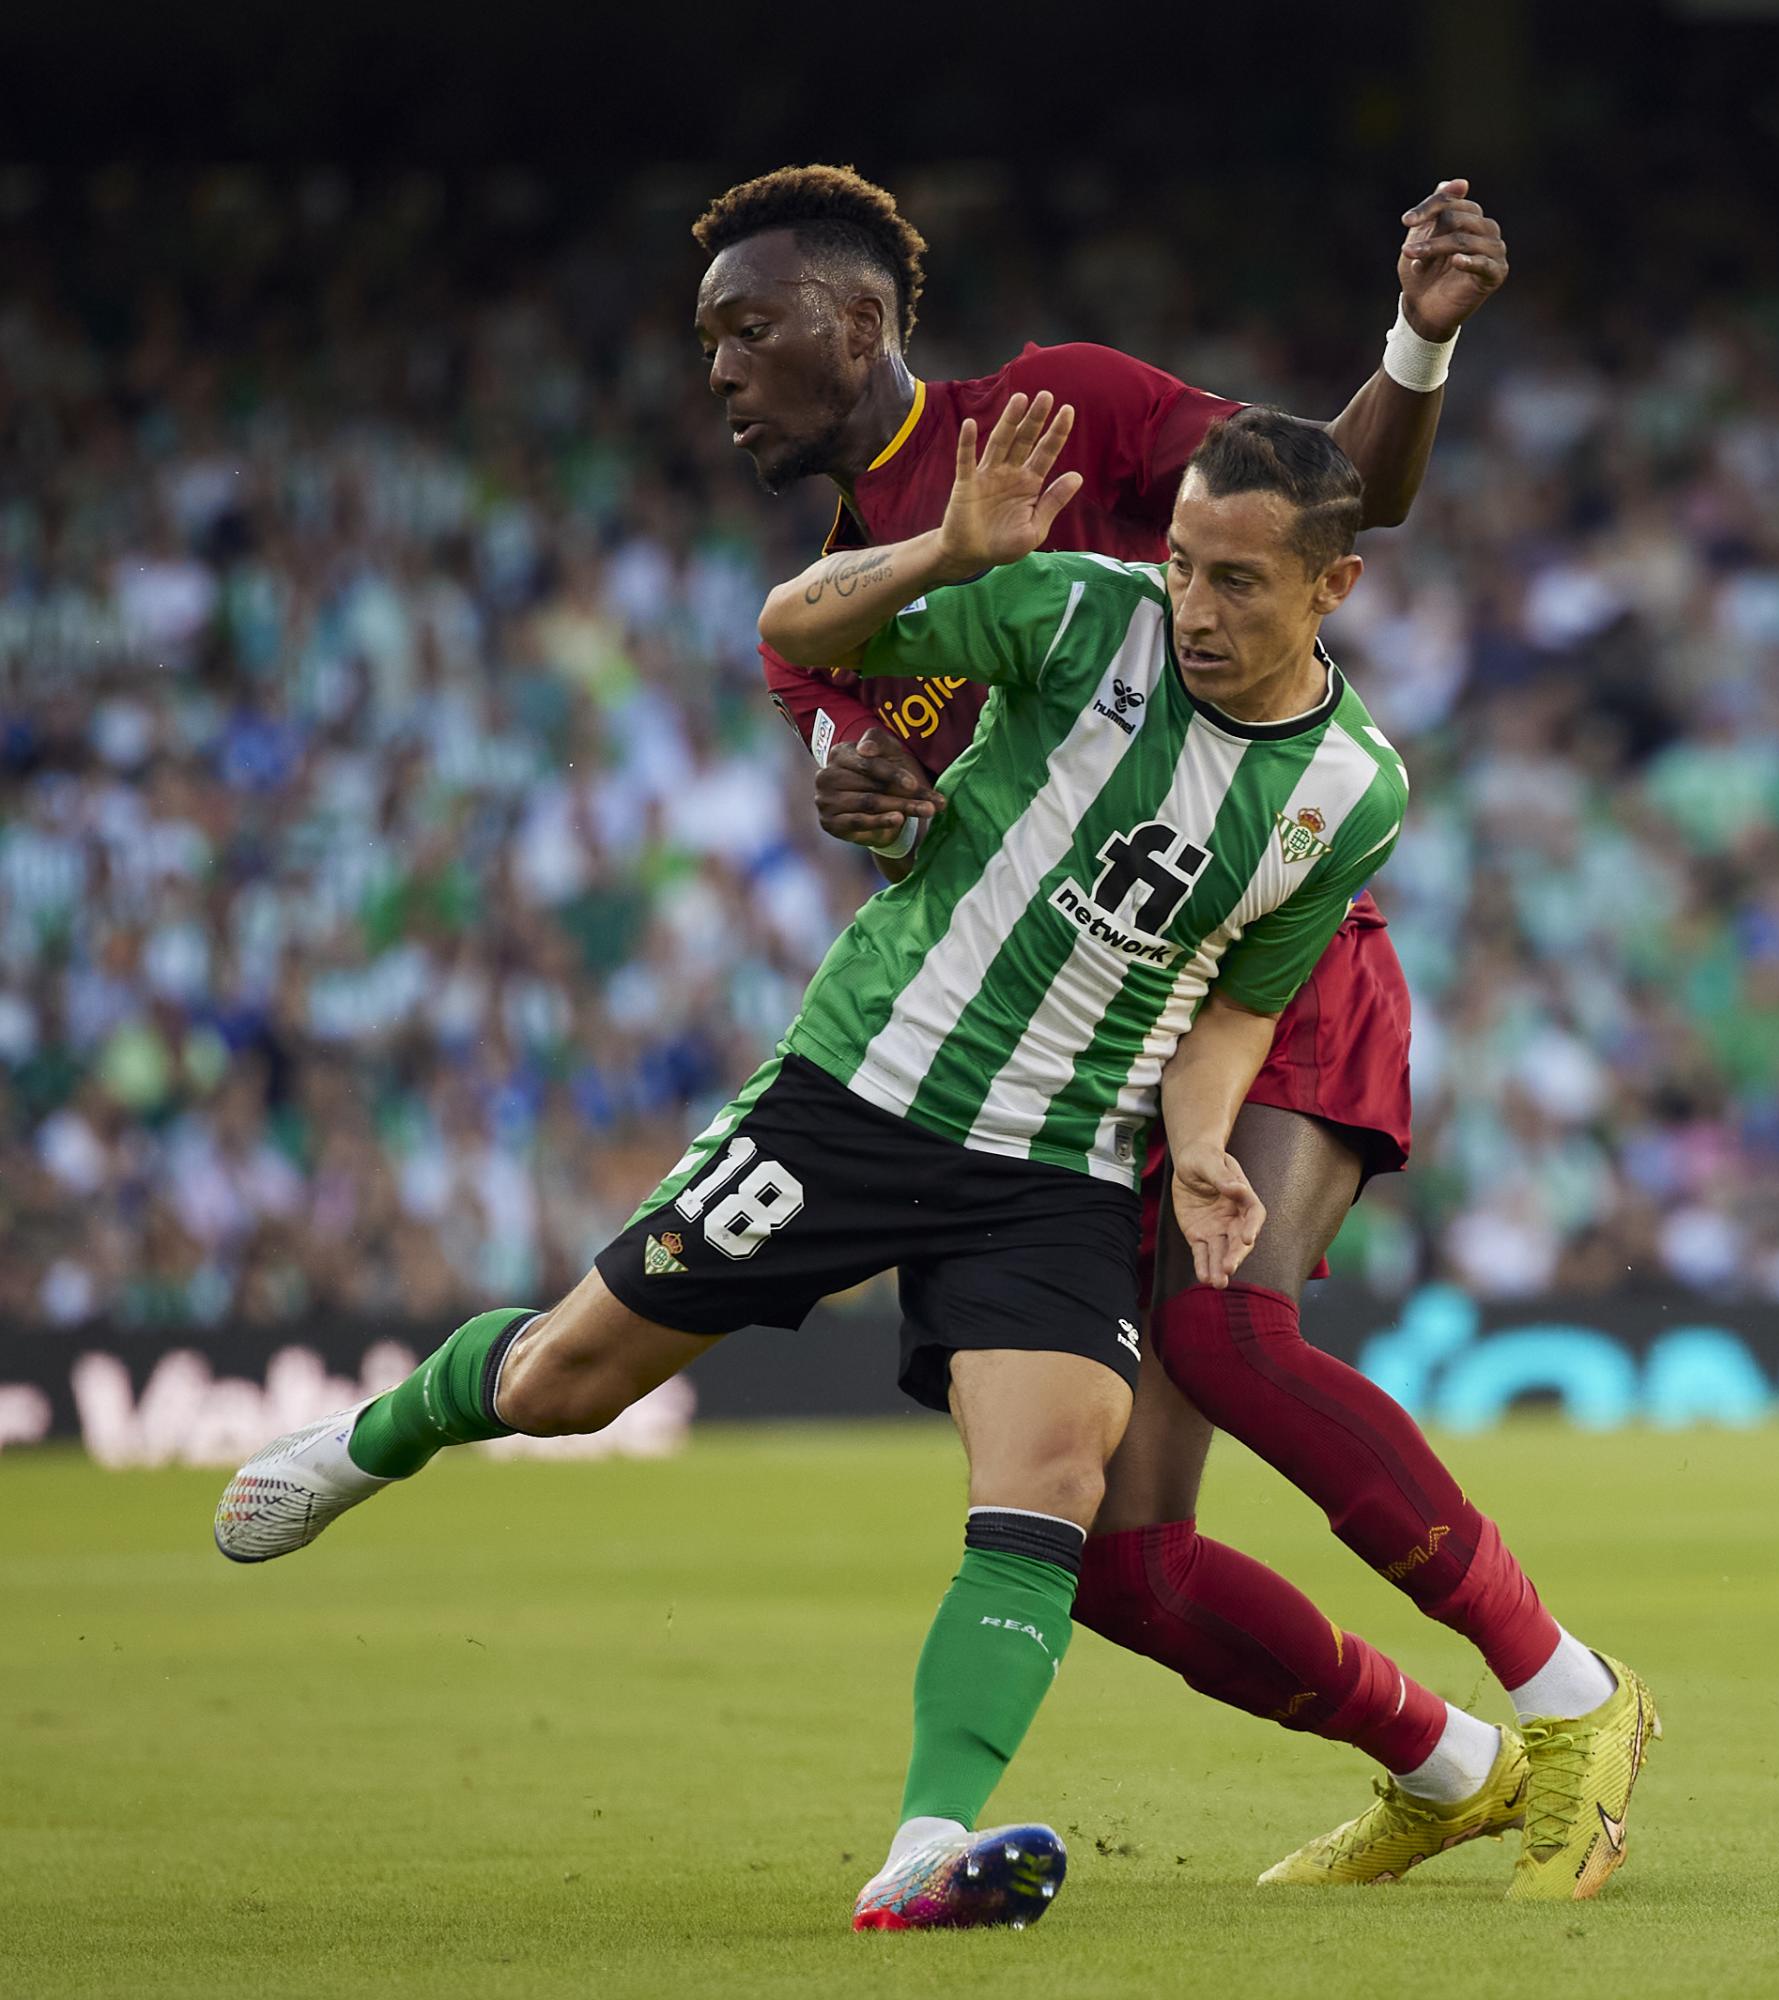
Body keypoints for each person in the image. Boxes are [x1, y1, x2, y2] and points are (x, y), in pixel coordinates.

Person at [214, 397, 1420, 1929]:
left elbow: (1240, 996)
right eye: (1183, 562)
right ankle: (369, 1441)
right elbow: (795, 626)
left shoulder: (1353, 793)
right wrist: (942, 552)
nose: (1194, 604)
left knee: (1053, 1479)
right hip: (861, 1093)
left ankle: (923, 1849)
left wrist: (1195, 1153)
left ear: (1335, 589)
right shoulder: (1079, 613)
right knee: (562, 1386)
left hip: (1058, 1159)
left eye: (1238, 580)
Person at [695, 164, 1657, 1901]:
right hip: (1081, 1046)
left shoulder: (1063, 412)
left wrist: (1417, 348)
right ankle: (1447, 1766)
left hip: (1266, 967)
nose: (720, 373)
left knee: (1224, 1337)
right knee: (1121, 1561)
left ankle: (1574, 1696)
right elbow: (937, 827)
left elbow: (1326, 503)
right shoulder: (849, 601)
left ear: (857, 322)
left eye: (746, 331)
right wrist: (879, 808)